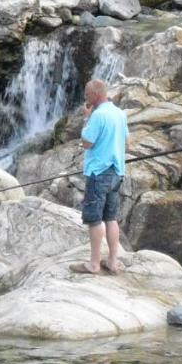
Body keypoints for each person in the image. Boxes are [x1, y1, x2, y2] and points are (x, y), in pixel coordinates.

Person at [72, 78, 128, 274]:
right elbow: (125, 140)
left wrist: (87, 118)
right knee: (110, 217)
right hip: (117, 171)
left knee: (94, 218)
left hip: (99, 172)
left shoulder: (98, 115)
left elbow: (87, 143)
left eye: (87, 94)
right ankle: (113, 262)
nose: (86, 98)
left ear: (95, 95)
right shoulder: (120, 114)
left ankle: (94, 264)